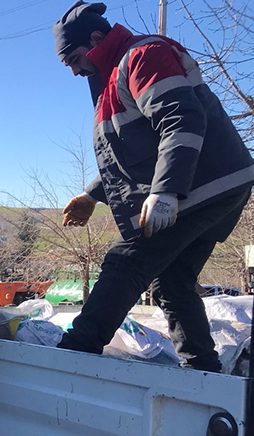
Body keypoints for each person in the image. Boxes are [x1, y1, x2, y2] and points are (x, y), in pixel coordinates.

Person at [53, 1, 254, 371]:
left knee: (126, 261)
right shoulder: (114, 77)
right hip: (213, 184)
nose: (73, 70)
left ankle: (73, 354)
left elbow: (181, 119)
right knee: (171, 281)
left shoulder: (143, 55)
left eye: (73, 59)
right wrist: (91, 195)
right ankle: (203, 372)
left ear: (95, 39)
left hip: (202, 184)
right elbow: (134, 154)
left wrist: (167, 191)